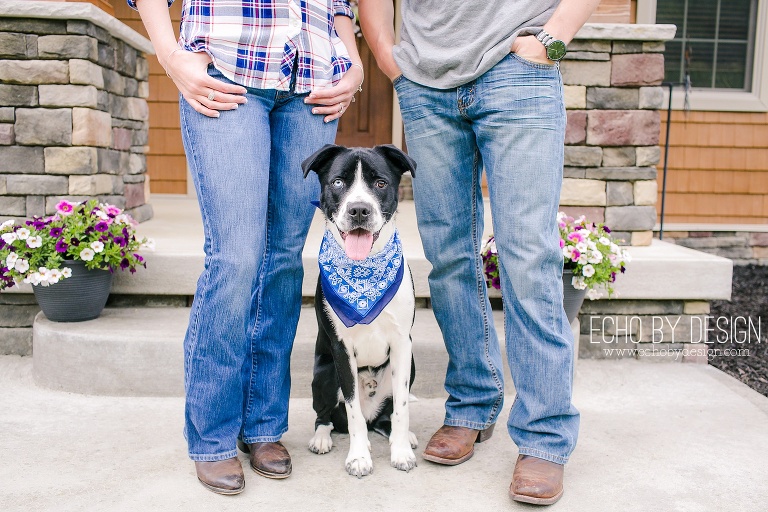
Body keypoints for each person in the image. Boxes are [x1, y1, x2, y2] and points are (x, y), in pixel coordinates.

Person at [359, 0, 600, 505]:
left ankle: (544, 436)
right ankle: (471, 403)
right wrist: (386, 54)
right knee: (448, 257)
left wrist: (550, 40)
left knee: (528, 257)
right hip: (425, 81)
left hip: (518, 70)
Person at [130, 0, 363, 495]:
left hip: (313, 81)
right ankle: (212, 435)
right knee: (235, 258)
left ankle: (263, 425)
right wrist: (171, 55)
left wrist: (355, 62)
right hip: (226, 66)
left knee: (282, 260)